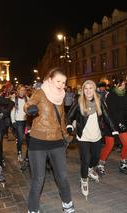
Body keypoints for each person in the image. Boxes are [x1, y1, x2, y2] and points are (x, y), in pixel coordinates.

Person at [24, 67, 75, 213]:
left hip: (57, 141)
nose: (61, 85)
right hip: (38, 141)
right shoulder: (40, 92)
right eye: (58, 81)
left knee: (62, 176)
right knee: (38, 179)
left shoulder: (61, 96)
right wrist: (30, 109)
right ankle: (33, 209)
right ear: (50, 80)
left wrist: (67, 135)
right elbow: (28, 104)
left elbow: (62, 118)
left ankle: (67, 204)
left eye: (64, 82)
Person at [66, 80, 116, 200]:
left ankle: (89, 169)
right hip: (83, 136)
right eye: (86, 88)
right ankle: (84, 180)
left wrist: (114, 129)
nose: (88, 91)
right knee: (85, 159)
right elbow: (70, 115)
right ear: (83, 90)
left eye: (90, 88)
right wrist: (69, 125)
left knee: (95, 157)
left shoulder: (99, 101)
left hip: (96, 135)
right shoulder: (79, 102)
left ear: (94, 90)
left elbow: (106, 115)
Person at [97, 78, 127, 176]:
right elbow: (110, 111)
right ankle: (101, 164)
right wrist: (116, 124)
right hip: (111, 123)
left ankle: (123, 163)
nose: (124, 86)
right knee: (110, 145)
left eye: (125, 85)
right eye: (122, 84)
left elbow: (126, 109)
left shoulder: (124, 94)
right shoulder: (111, 95)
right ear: (116, 85)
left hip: (122, 123)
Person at [10, 84, 28, 162]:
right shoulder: (14, 99)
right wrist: (13, 121)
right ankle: (19, 153)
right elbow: (12, 111)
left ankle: (28, 155)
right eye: (21, 90)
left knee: (28, 139)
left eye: (24, 90)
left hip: (26, 122)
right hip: (19, 121)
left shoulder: (27, 98)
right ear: (18, 91)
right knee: (20, 139)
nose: (22, 92)